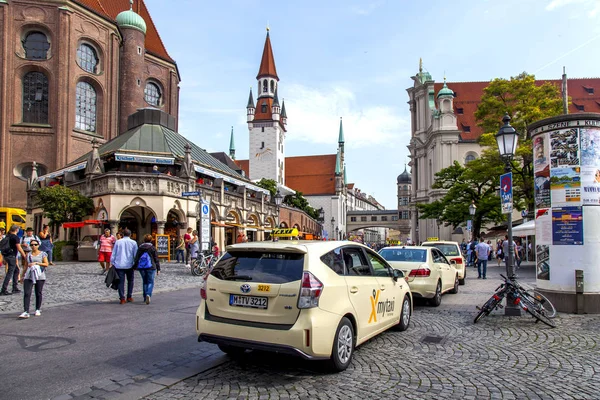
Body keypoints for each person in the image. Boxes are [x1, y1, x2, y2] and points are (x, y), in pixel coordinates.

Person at [19, 239, 49, 318]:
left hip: (39, 275)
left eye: (35, 244)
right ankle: (26, 311)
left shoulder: (43, 254)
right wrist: (22, 276)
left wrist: (36, 263)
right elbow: (25, 266)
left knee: (38, 292)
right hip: (29, 275)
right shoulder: (28, 255)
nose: (33, 246)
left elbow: (46, 264)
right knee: (27, 293)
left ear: (38, 245)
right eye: (32, 245)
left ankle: (37, 309)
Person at [110, 229, 138, 304]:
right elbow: (135, 254)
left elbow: (114, 253)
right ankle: (129, 296)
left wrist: (112, 262)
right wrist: (135, 264)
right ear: (130, 234)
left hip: (119, 264)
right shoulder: (133, 243)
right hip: (129, 264)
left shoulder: (118, 242)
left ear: (123, 234)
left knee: (121, 282)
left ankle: (122, 298)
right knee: (130, 281)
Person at [133, 234, 161, 305]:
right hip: (151, 266)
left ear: (144, 240)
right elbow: (156, 259)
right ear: (151, 240)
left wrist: (135, 266)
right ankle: (148, 294)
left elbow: (137, 258)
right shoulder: (152, 248)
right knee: (150, 281)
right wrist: (158, 269)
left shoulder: (140, 247)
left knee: (144, 281)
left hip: (142, 267)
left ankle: (145, 297)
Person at [0, 225, 27, 296]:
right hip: (12, 256)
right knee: (10, 272)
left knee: (16, 270)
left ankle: (15, 287)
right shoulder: (15, 237)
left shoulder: (8, 236)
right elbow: (19, 247)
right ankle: (4, 289)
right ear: (16, 230)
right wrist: (24, 255)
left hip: (7, 255)